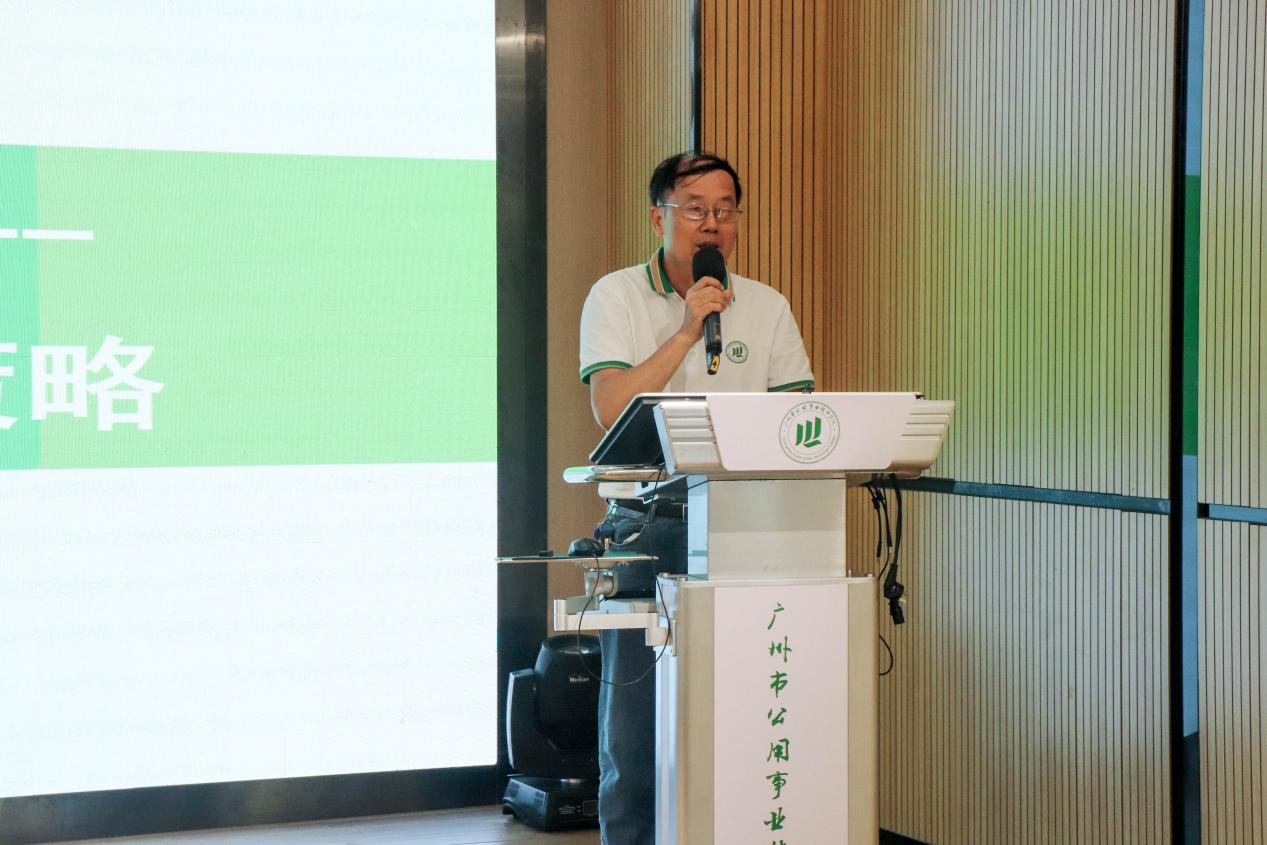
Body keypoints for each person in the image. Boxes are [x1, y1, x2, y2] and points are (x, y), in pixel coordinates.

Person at [577, 151, 815, 845]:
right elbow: (610, 409)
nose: (712, 223)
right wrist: (687, 330)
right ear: (659, 218)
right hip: (647, 524)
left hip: (748, 526)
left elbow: (797, 424)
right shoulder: (616, 296)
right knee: (635, 736)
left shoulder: (766, 305)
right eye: (694, 209)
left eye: (725, 210)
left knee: (745, 713)